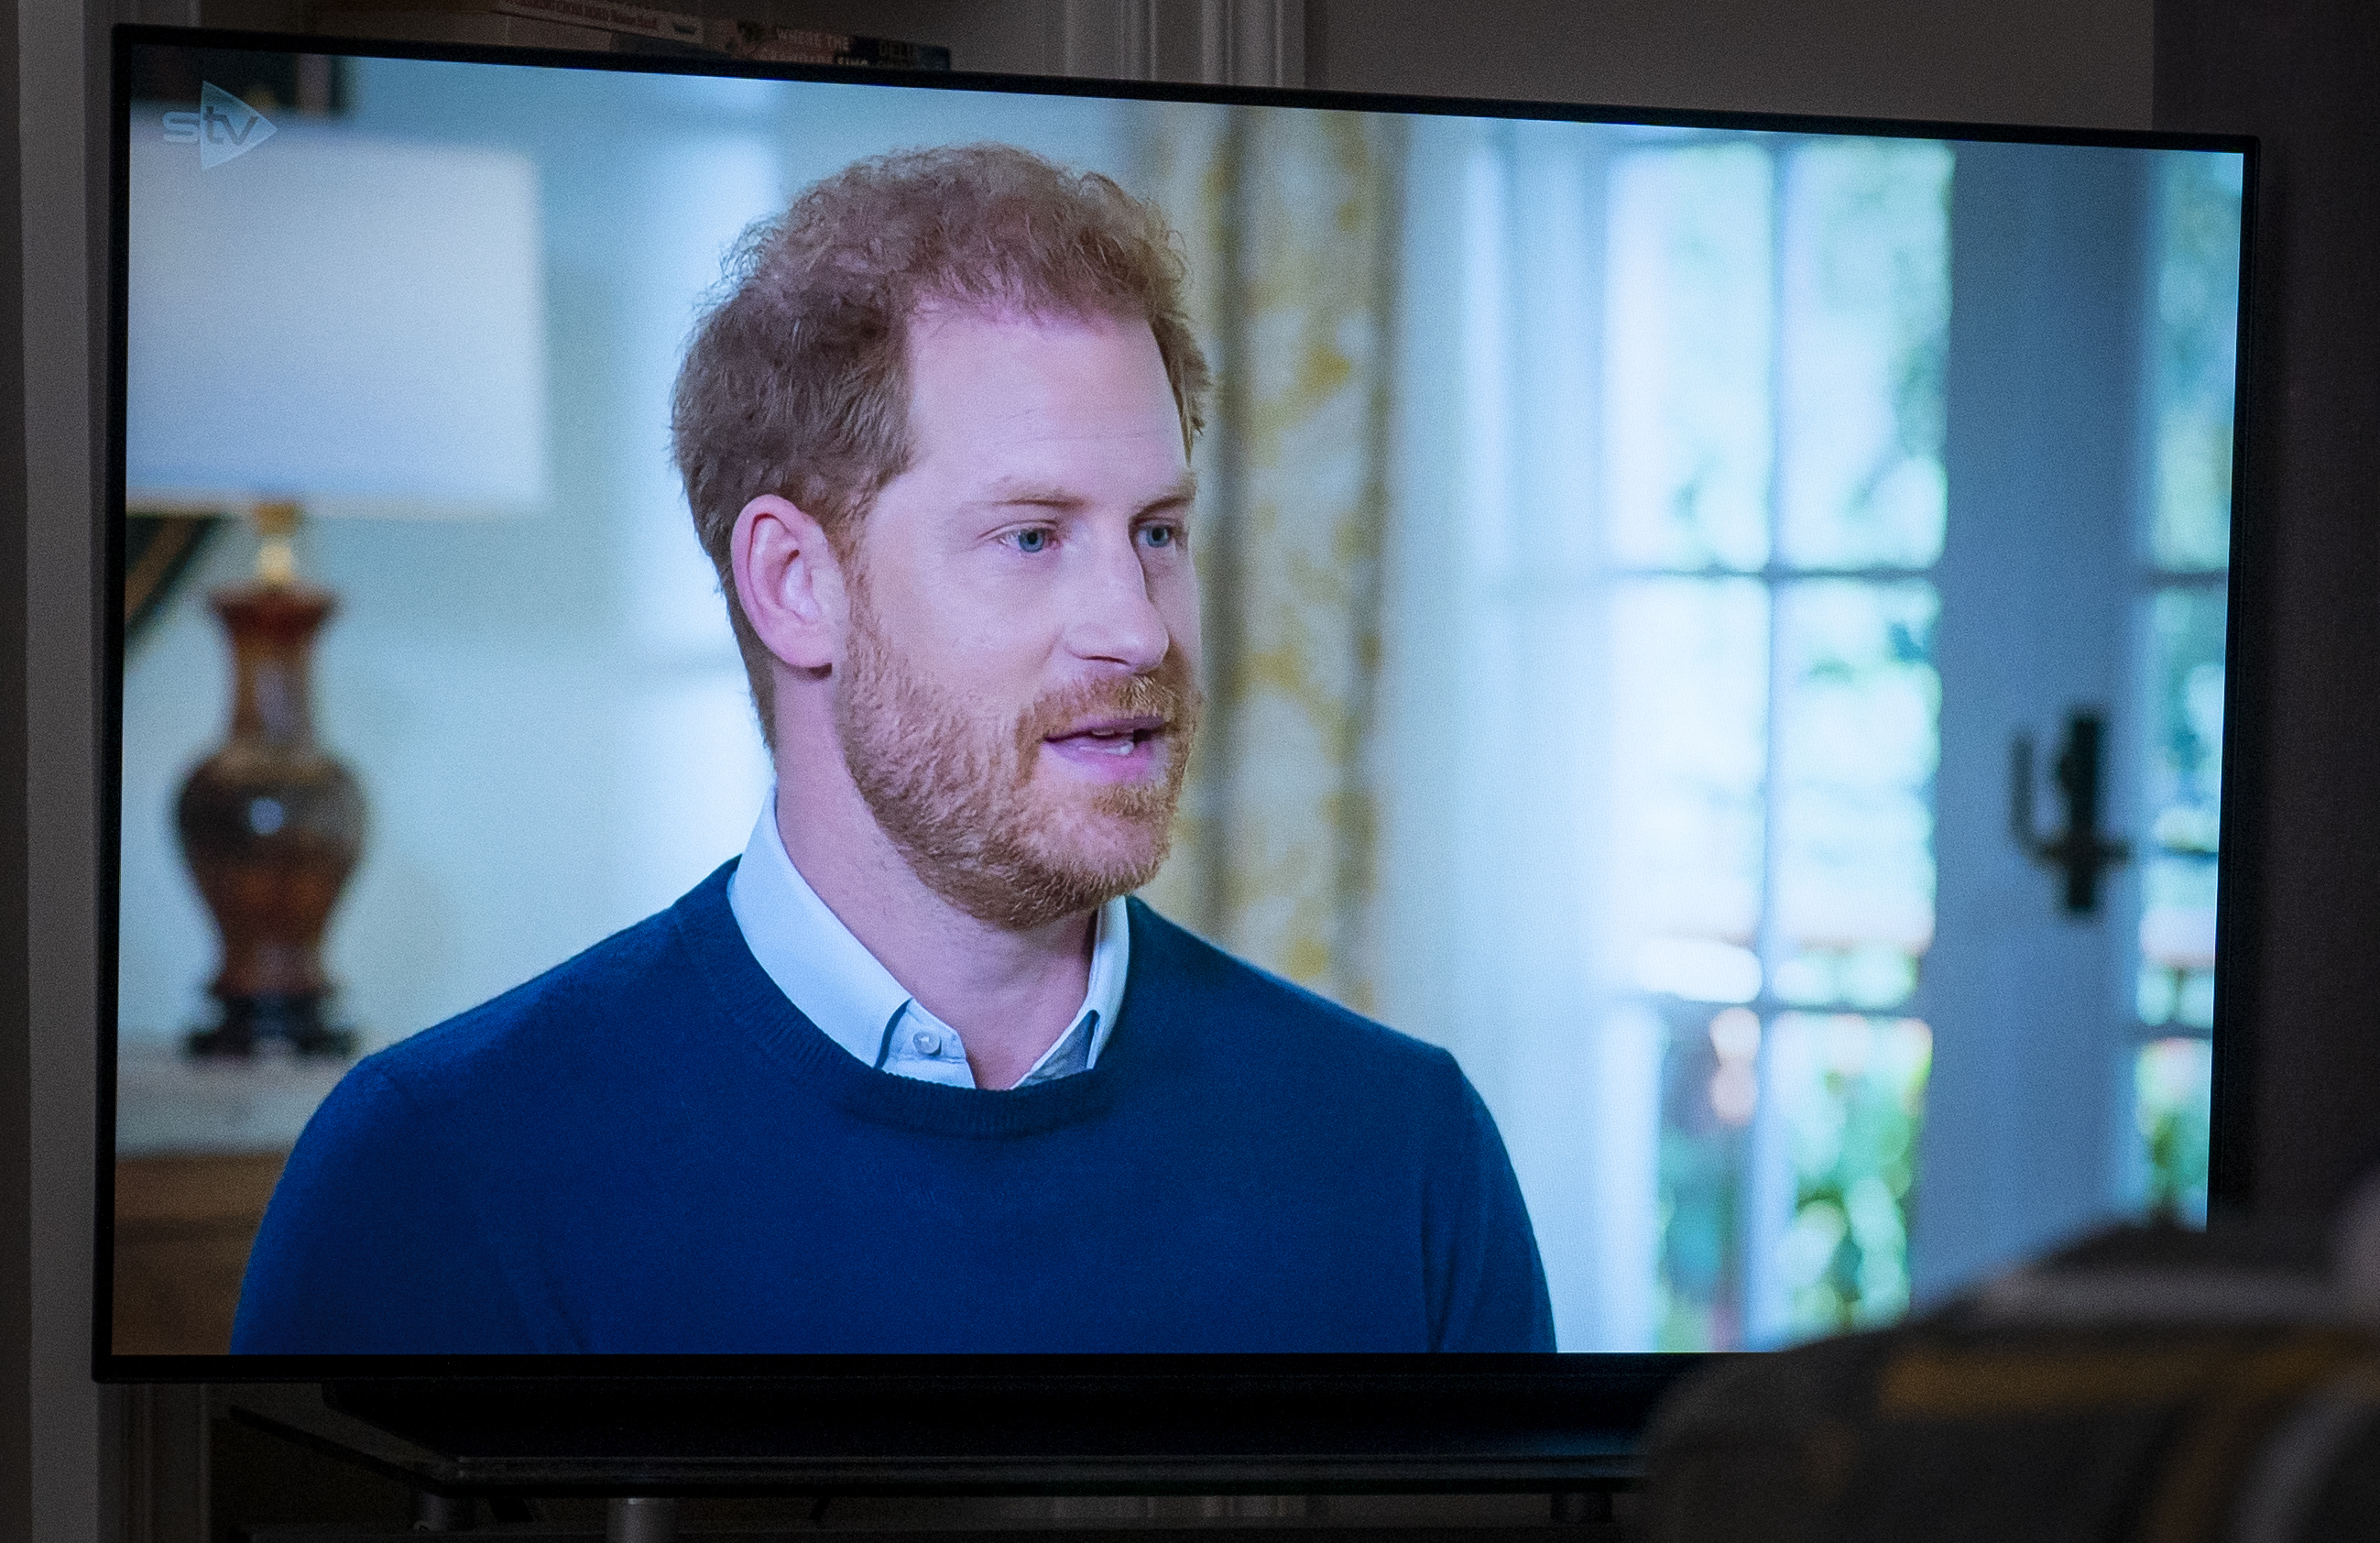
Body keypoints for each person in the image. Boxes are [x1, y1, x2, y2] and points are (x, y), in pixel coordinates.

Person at [233, 144, 1554, 1355]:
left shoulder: (1400, 1149)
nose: (1134, 627)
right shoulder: (439, 1171)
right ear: (795, 583)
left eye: (1156, 530)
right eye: (1033, 536)